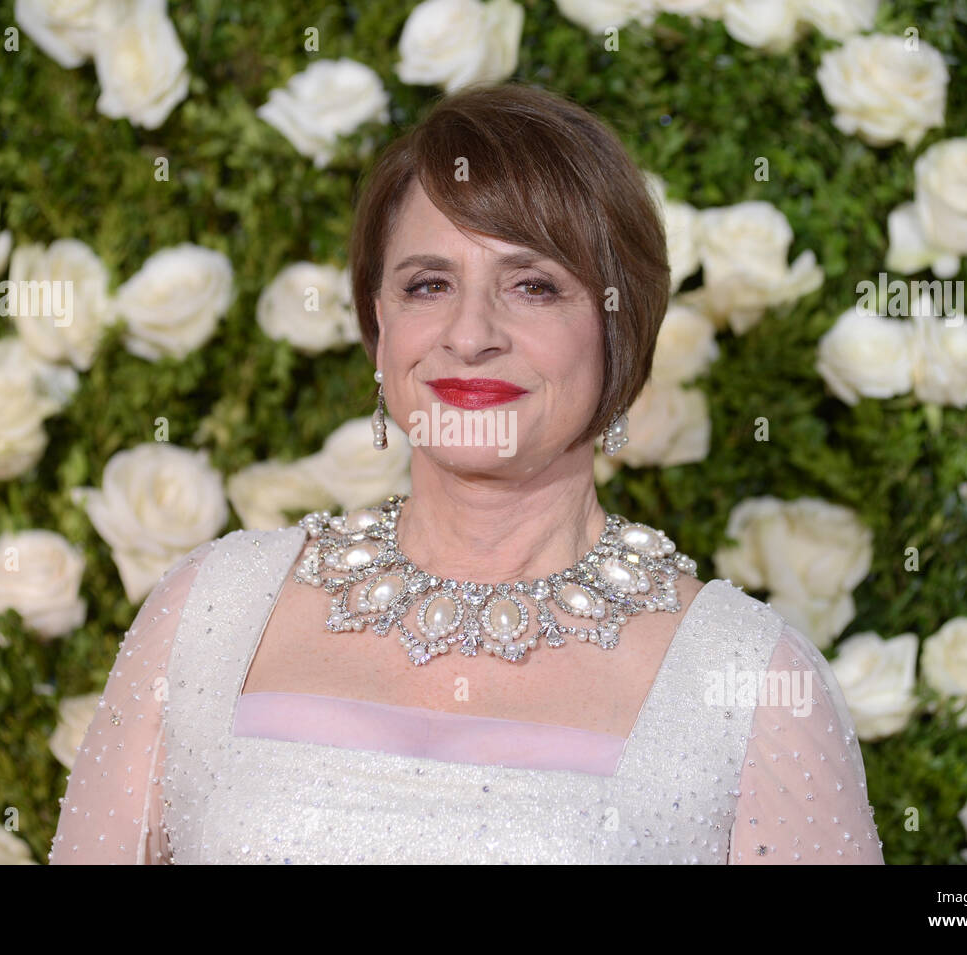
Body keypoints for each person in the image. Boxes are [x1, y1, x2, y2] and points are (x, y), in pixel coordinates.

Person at [50, 81, 883, 865]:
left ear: (619, 329)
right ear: (380, 323)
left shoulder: (749, 680)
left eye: (532, 285)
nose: (470, 332)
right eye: (428, 283)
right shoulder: (212, 612)